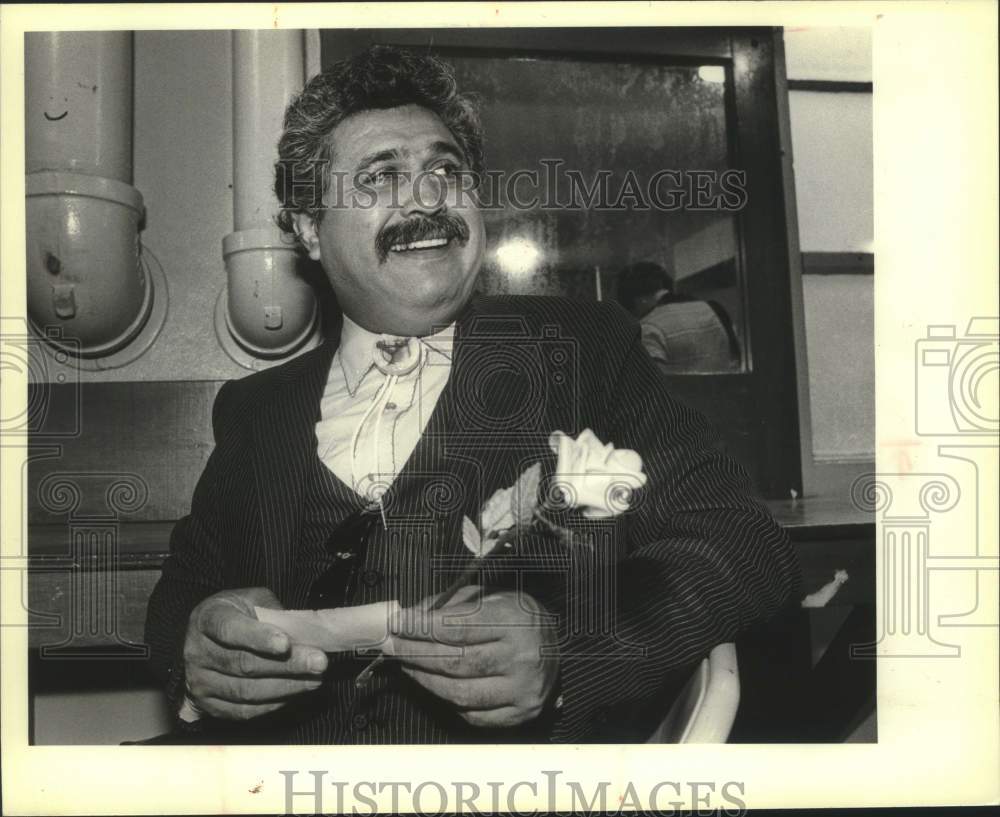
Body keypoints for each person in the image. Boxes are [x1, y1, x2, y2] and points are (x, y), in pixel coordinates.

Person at [144, 45, 798, 744]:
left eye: (445, 170)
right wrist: (198, 643)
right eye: (380, 177)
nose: (427, 200)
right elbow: (187, 585)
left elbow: (743, 543)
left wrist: (565, 647)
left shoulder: (585, 351)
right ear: (308, 227)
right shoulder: (255, 409)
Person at [617, 260, 742, 374]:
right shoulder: (714, 308)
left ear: (640, 300)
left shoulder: (646, 328)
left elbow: (654, 384)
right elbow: (737, 360)